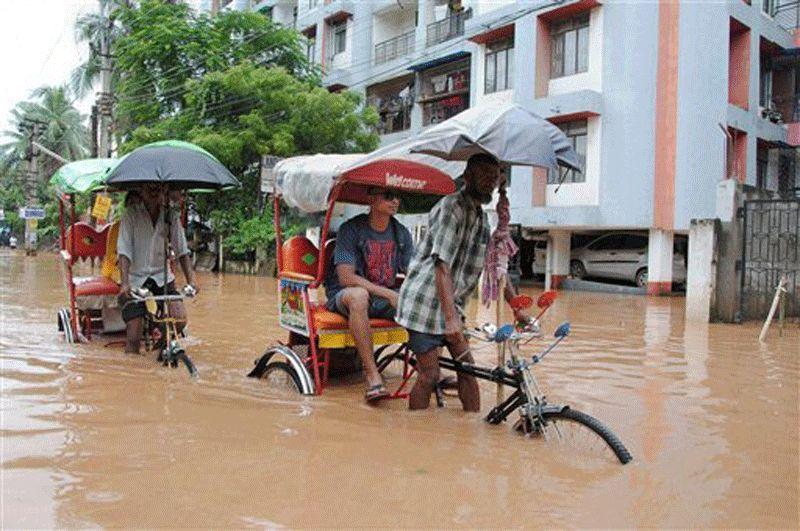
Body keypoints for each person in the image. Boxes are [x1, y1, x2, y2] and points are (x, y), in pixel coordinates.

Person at [395, 154, 530, 411]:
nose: (490, 182)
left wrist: (517, 307)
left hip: (451, 306)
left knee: (468, 371)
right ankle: (415, 437)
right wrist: (451, 320)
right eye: (484, 176)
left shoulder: (482, 219)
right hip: (424, 305)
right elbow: (441, 264)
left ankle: (473, 431)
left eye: (494, 177)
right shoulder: (451, 208)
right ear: (467, 177)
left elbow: (495, 269)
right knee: (429, 375)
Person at [325, 186, 414, 402]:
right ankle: (372, 375)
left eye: (397, 197)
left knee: (426, 302)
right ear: (371, 200)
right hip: (346, 296)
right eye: (388, 196)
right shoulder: (351, 229)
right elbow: (346, 277)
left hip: (384, 298)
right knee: (359, 296)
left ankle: (431, 369)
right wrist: (387, 293)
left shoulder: (401, 233)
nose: (395, 201)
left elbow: (413, 272)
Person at [117, 184, 198, 354]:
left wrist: (192, 281)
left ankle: (158, 351)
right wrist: (124, 283)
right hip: (135, 279)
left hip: (162, 277)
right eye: (149, 187)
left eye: (158, 188)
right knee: (133, 336)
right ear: (141, 190)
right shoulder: (131, 215)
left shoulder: (171, 216)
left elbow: (182, 250)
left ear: (164, 190)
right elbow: (124, 250)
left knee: (179, 319)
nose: (154, 191)